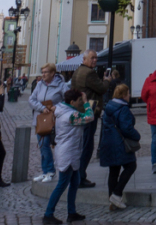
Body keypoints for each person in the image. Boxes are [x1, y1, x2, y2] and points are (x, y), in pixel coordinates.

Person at [42, 87, 95, 225]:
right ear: (72, 102)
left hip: (69, 152)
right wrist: (87, 103)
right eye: (78, 100)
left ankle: (72, 212)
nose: (80, 102)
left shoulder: (62, 109)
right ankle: (48, 214)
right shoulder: (70, 115)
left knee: (75, 182)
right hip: (68, 154)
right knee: (62, 184)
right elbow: (90, 117)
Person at [99, 83, 141, 210]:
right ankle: (116, 194)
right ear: (123, 95)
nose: (129, 95)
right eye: (128, 93)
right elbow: (126, 128)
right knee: (131, 166)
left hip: (108, 142)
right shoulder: (123, 109)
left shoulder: (109, 106)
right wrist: (137, 136)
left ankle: (112, 200)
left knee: (114, 170)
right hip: (120, 143)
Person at [71, 49, 106, 188]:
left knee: (81, 144)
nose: (95, 60)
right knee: (87, 145)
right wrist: (107, 81)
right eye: (92, 58)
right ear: (84, 59)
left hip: (79, 111)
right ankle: (80, 176)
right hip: (88, 110)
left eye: (96, 58)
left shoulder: (77, 71)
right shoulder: (89, 73)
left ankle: (77, 175)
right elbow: (102, 88)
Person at [29, 63, 66, 183]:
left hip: (54, 120)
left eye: (45, 72)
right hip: (40, 120)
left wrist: (57, 107)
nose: (43, 74)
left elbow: (68, 100)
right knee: (42, 146)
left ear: (52, 73)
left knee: (46, 145)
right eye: (42, 72)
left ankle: (50, 171)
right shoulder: (40, 84)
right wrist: (41, 108)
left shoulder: (61, 85)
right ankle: (45, 171)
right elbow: (31, 99)